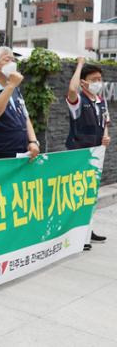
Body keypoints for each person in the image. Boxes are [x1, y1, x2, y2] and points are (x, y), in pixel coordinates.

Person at [66, 57, 111, 250]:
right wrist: (79, 66)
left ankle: (87, 230)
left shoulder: (101, 101)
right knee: (78, 195)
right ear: (83, 81)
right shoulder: (78, 100)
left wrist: (106, 137)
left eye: (99, 79)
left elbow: (105, 123)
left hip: (96, 154)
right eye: (93, 79)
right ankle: (76, 236)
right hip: (79, 154)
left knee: (91, 195)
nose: (97, 82)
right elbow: (71, 90)